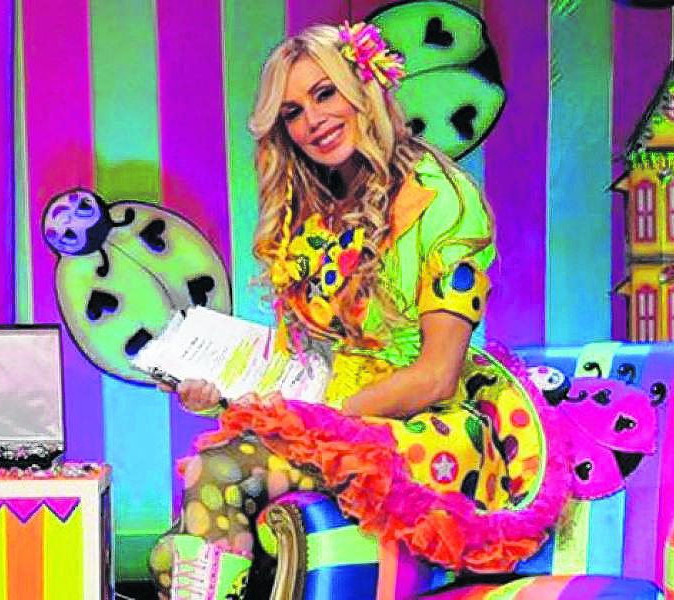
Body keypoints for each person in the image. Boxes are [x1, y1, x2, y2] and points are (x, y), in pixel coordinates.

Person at [149, 22, 569, 600]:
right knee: (169, 557)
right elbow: (306, 363)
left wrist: (320, 420)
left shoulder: (441, 200)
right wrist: (224, 392)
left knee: (220, 471)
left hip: (425, 426)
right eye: (293, 112)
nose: (313, 121)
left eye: (325, 93)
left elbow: (436, 375)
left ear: (364, 88)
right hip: (336, 414)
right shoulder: (320, 211)